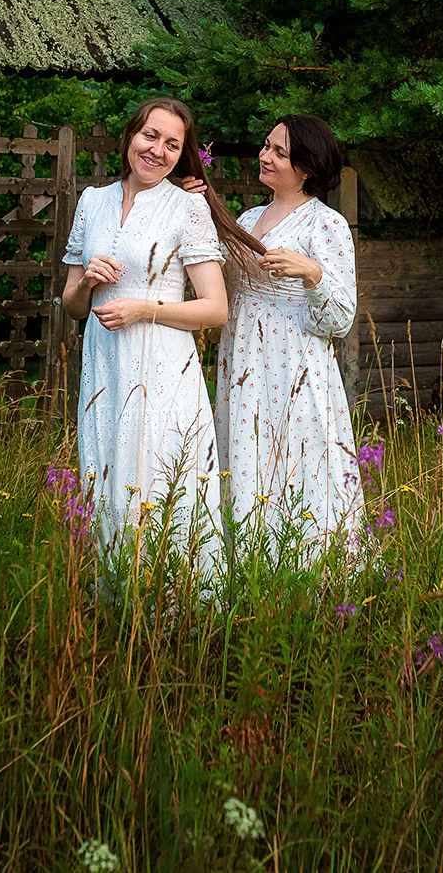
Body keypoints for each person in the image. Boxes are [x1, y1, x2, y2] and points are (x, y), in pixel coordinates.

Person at [59, 97, 262, 582]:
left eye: (173, 145)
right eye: (151, 136)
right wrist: (87, 282)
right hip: (104, 367)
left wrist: (145, 308)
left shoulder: (187, 207)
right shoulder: (92, 202)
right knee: (106, 480)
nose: (158, 151)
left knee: (157, 483)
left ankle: (176, 608)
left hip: (163, 370)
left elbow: (215, 308)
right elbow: (70, 306)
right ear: (131, 135)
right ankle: (115, 604)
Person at [195, 115, 361, 559]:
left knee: (296, 465)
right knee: (246, 463)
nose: (265, 156)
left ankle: (310, 573)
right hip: (242, 363)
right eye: (266, 145)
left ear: (305, 167)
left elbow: (341, 319)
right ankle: (246, 569)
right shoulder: (250, 217)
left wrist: (313, 273)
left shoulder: (326, 225)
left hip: (294, 369)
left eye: (279, 152)